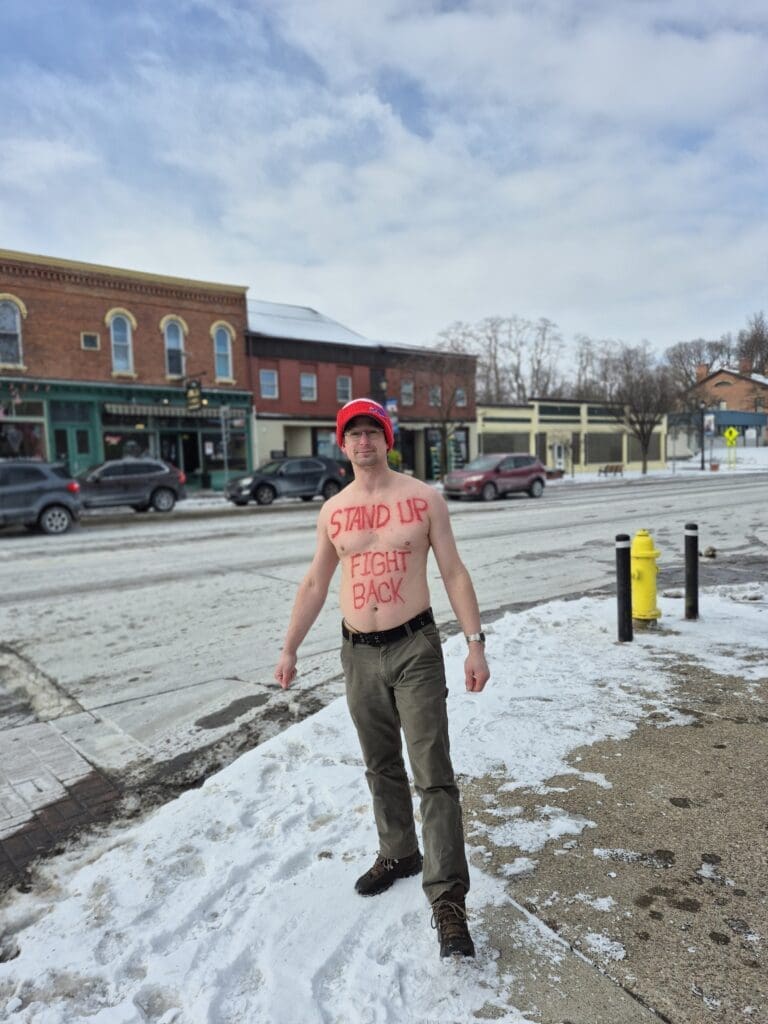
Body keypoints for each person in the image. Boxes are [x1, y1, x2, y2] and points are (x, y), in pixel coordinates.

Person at [274, 398, 490, 958]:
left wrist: (474, 644)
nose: (364, 442)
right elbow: (316, 584)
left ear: (387, 440)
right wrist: (289, 648)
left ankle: (447, 900)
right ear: (342, 445)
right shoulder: (333, 511)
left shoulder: (423, 499)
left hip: (415, 647)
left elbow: (453, 571)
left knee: (433, 773)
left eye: (373, 432)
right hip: (358, 654)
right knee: (380, 764)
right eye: (354, 434)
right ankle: (399, 852)